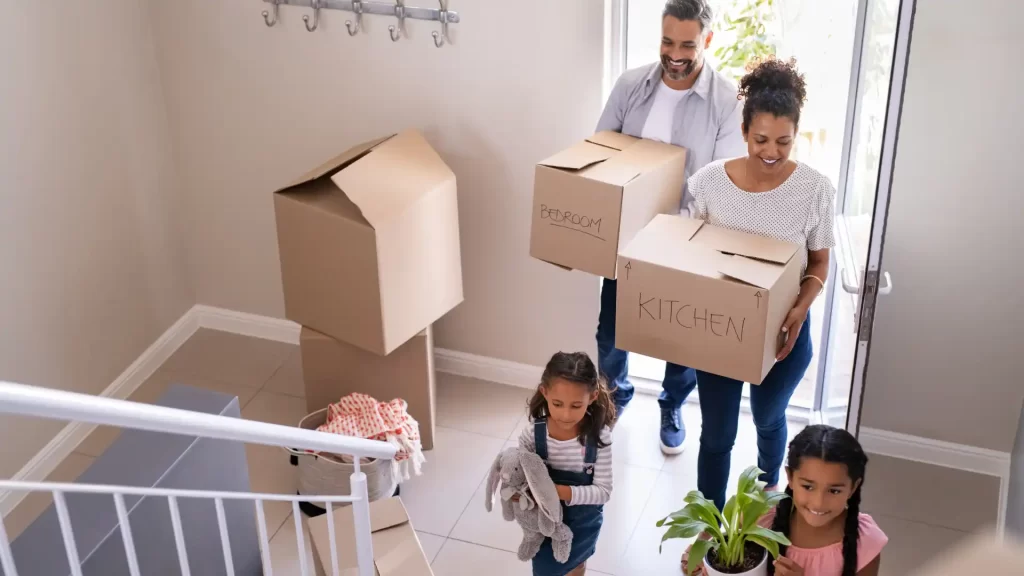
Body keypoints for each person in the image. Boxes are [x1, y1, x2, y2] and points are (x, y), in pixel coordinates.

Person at [686, 56, 837, 511]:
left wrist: (800, 308)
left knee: (770, 418)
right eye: (761, 140)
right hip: (721, 330)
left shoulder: (815, 190)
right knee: (716, 436)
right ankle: (706, 528)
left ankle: (770, 489)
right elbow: (690, 251)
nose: (771, 151)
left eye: (784, 141)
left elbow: (820, 263)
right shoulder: (710, 182)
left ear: (797, 135)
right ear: (744, 130)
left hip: (784, 332)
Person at [595, 0, 746, 455]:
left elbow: (721, 183)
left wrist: (676, 228)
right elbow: (600, 153)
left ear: (708, 40)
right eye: (667, 41)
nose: (674, 53)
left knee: (680, 337)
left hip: (686, 240)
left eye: (687, 43)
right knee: (611, 330)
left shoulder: (726, 101)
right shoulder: (630, 87)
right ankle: (613, 397)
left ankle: (671, 403)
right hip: (627, 237)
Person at [684, 425, 888, 575]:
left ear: (853, 487)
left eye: (834, 491)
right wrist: (705, 559)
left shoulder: (865, 543)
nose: (818, 502)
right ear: (790, 478)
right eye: (808, 486)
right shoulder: (759, 519)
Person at [519, 352, 617, 576]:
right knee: (544, 568)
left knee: (576, 565)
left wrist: (555, 492)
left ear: (592, 397)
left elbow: (603, 492)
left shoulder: (599, 438)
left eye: (576, 405)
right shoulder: (533, 434)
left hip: (583, 524)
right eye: (557, 403)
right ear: (544, 393)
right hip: (543, 523)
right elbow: (521, 473)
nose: (565, 414)